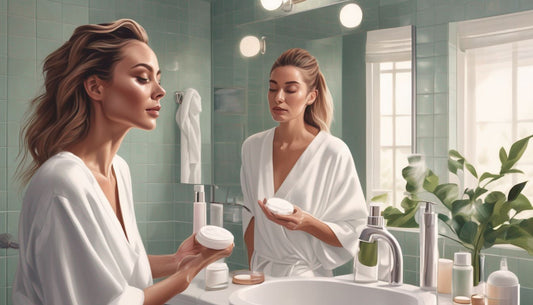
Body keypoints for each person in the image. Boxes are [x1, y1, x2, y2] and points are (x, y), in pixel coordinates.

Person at [13, 19, 232, 305]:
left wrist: (179, 260)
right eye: (142, 78)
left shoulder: (119, 169)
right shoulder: (62, 184)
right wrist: (185, 276)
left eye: (158, 78)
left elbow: (113, 273)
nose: (160, 90)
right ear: (95, 87)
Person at [240, 48, 368, 277]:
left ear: (311, 96)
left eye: (290, 89)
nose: (278, 97)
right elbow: (251, 218)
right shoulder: (253, 147)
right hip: (261, 277)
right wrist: (253, 271)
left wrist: (306, 222)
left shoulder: (333, 152)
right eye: (272, 88)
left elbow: (352, 230)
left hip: (307, 281)